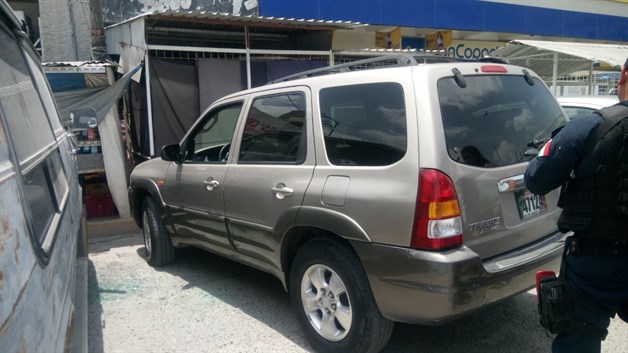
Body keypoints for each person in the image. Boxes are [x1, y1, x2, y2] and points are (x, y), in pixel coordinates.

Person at [524, 57, 628, 353]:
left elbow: (536, 180)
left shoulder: (593, 126)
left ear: (622, 74)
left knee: (578, 340)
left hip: (594, 264)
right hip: (597, 261)